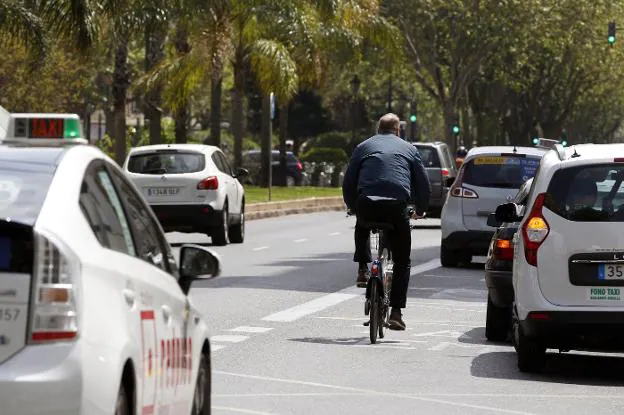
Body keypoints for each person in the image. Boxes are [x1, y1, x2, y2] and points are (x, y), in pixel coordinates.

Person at [342, 113, 431, 331]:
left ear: (378, 129)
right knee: (402, 261)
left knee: (362, 223)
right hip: (396, 207)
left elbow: (349, 181)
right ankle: (396, 313)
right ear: (398, 130)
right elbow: (423, 185)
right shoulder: (409, 149)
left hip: (367, 204)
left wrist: (352, 205)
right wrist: (420, 210)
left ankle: (363, 268)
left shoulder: (363, 147)